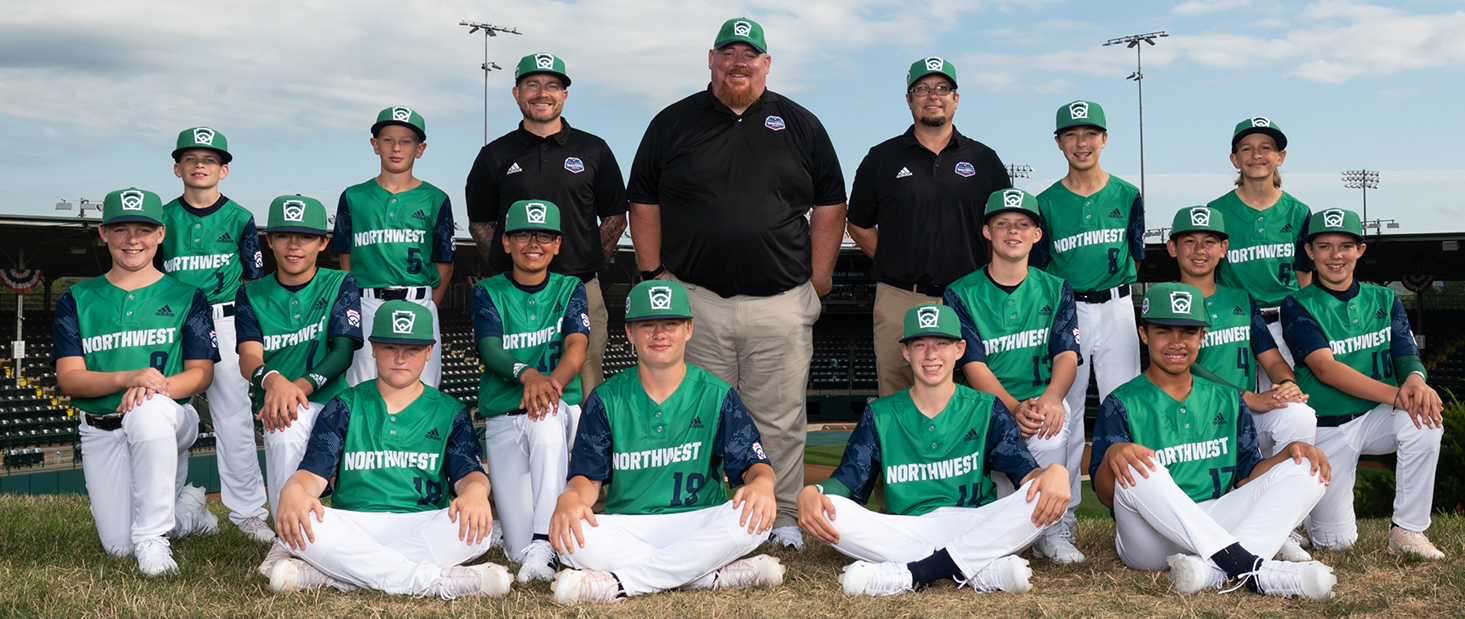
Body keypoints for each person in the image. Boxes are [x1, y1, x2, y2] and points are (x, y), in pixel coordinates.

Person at [627, 16, 846, 550]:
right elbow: (643, 200)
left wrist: (818, 279)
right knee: (695, 416)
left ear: (766, 64)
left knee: (781, 420)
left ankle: (786, 522)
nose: (739, 62)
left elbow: (831, 204)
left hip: (779, 300)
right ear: (711, 58)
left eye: (750, 54)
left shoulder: (801, 124)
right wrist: (655, 275)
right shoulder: (673, 122)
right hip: (697, 300)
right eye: (729, 52)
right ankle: (699, 516)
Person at [796, 304, 1069, 596]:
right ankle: (980, 571)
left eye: (942, 343)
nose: (931, 355)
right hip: (907, 528)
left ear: (960, 349)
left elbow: (1027, 473)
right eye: (920, 345)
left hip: (973, 523)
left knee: (1043, 493)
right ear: (906, 352)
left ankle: (909, 574)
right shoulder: (881, 414)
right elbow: (847, 481)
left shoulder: (987, 408)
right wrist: (813, 492)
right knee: (830, 511)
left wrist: (1053, 472)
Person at [1090, 283, 1336, 601]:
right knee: (1139, 465)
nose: (1176, 343)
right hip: (1149, 540)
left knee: (1308, 469)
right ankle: (1251, 569)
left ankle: (1211, 572)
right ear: (1144, 334)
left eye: (1188, 332)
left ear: (1202, 337)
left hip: (1215, 517)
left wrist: (1286, 455)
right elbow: (1110, 497)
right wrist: (1114, 455)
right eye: (1164, 331)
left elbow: (1246, 477)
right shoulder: (1120, 402)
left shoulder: (1228, 399)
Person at [546, 281, 784, 604]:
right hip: (630, 525)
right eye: (647, 325)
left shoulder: (716, 395)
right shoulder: (606, 398)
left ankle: (620, 584)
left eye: (670, 323)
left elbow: (758, 469)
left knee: (754, 520)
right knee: (571, 537)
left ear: (688, 329)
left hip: (700, 521)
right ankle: (707, 576)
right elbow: (587, 479)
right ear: (630, 333)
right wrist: (572, 497)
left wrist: (763, 484)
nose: (659, 334)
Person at [268, 301, 511, 598]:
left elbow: (469, 474)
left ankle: (336, 575)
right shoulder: (344, 405)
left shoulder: (451, 411)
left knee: (477, 530)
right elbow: (313, 474)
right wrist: (293, 489)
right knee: (304, 525)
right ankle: (439, 583)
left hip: (424, 521)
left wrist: (475, 493)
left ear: (430, 352)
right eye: (389, 348)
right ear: (372, 348)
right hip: (354, 522)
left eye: (412, 350)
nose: (400, 359)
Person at [51, 187, 220, 576]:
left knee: (147, 410)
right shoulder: (76, 298)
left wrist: (153, 388)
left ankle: (154, 540)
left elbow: (201, 373)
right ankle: (188, 513)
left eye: (143, 229)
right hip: (102, 427)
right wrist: (131, 377)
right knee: (117, 548)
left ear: (160, 234)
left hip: (169, 417)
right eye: (121, 229)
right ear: (103, 233)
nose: (132, 240)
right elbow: (70, 380)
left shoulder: (186, 296)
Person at [1282, 208, 1447, 559]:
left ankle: (1408, 529)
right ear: (1309, 253)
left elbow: (1404, 353)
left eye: (1345, 245)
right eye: (1324, 246)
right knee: (1336, 544)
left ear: (1360, 250)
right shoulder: (1297, 304)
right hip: (1326, 429)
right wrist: (1399, 396)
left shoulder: (1385, 299)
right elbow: (1326, 369)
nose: (1335, 255)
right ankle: (1312, 518)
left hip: (1376, 417)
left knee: (1426, 420)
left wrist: (1416, 381)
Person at [846, 56, 1011, 396]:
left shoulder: (985, 160)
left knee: (980, 400)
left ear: (956, 98)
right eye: (922, 88)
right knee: (897, 401)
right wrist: (895, 259)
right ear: (909, 99)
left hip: (970, 298)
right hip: (900, 298)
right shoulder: (881, 158)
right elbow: (858, 224)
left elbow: (1006, 229)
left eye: (942, 88)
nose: (932, 95)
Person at [465, 53, 628, 395]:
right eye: (532, 85)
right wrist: (506, 265)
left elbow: (614, 215)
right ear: (516, 93)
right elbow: (480, 223)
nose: (542, 93)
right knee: (515, 388)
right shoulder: (494, 155)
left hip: (580, 287)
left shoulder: (593, 149)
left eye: (553, 85)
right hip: (514, 294)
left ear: (564, 95)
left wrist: (586, 257)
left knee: (585, 394)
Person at [1167, 205, 1319, 562]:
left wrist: (1286, 384)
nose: (1199, 250)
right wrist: (1248, 397)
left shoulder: (1240, 299)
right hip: (1194, 421)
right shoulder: (1166, 299)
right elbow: (1181, 369)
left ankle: (1281, 527)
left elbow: (1270, 356)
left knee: (1300, 415)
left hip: (1241, 417)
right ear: (1173, 248)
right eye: (1189, 241)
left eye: (1210, 241)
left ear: (1224, 249)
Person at [1031, 100, 1145, 561]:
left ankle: (1135, 515)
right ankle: (1058, 524)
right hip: (1068, 308)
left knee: (1128, 409)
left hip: (1118, 307)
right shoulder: (1045, 202)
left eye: (1090, 133)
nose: (1082, 143)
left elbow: (1137, 256)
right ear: (1059, 142)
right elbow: (1039, 271)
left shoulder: (1128, 193)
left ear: (1104, 139)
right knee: (1067, 415)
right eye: (1071, 135)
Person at [943, 188, 1082, 563]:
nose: (1012, 231)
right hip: (985, 408)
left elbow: (1066, 354)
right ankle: (1015, 528)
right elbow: (973, 364)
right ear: (987, 232)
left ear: (1037, 234)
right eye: (1001, 223)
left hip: (1038, 403)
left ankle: (1053, 530)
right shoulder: (960, 293)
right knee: (1003, 518)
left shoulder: (1056, 288)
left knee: (1055, 419)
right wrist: (1009, 407)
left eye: (1023, 223)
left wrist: (1053, 396)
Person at [235, 195, 363, 577]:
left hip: (333, 405)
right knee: (285, 420)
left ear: (323, 243)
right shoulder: (251, 293)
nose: (294, 246)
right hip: (281, 405)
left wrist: (296, 389)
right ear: (269, 241)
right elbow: (248, 359)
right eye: (284, 236)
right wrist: (273, 380)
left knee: (288, 409)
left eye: (305, 237)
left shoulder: (341, 281)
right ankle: (288, 539)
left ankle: (304, 538)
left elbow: (342, 353)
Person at [159, 127, 273, 543]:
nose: (200, 165)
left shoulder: (240, 217)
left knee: (234, 418)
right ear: (177, 168)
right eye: (191, 158)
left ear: (223, 170)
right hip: (171, 321)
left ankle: (247, 513)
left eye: (209, 159)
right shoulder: (162, 217)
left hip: (224, 318)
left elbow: (256, 281)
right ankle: (167, 504)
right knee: (167, 414)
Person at [471, 200, 590, 583]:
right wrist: (528, 376)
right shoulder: (487, 291)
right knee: (516, 548)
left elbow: (577, 346)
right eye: (523, 233)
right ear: (506, 242)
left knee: (545, 417)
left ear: (557, 244)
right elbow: (490, 351)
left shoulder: (570, 287)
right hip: (505, 416)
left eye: (544, 235)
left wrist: (549, 385)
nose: (533, 242)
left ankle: (546, 539)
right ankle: (526, 538)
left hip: (558, 410)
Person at [330, 106, 455, 388]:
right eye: (388, 139)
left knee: (422, 392)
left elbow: (444, 264)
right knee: (362, 391)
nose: (396, 147)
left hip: (418, 300)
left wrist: (426, 305)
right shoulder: (353, 196)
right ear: (375, 145)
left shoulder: (436, 198)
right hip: (366, 304)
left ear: (420, 149)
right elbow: (345, 257)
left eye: (406, 141)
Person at [1207, 117, 1314, 391]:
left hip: (1283, 321)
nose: (1256, 155)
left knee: (1285, 402)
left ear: (1280, 157)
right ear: (1234, 159)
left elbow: (1306, 280)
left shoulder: (1298, 212)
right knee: (1233, 404)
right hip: (1232, 321)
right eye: (1246, 148)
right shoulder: (1215, 211)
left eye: (1266, 147)